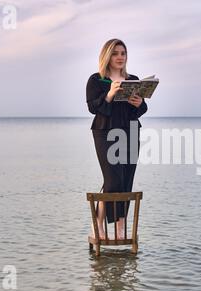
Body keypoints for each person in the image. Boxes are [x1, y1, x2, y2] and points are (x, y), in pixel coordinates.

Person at [86, 39, 148, 240]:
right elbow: (93, 108)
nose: (120, 57)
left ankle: (121, 227)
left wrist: (139, 103)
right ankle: (98, 224)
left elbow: (141, 109)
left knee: (126, 179)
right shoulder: (96, 80)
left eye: (123, 53)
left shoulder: (133, 79)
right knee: (113, 180)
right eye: (115, 53)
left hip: (130, 131)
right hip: (105, 132)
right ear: (107, 56)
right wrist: (110, 93)